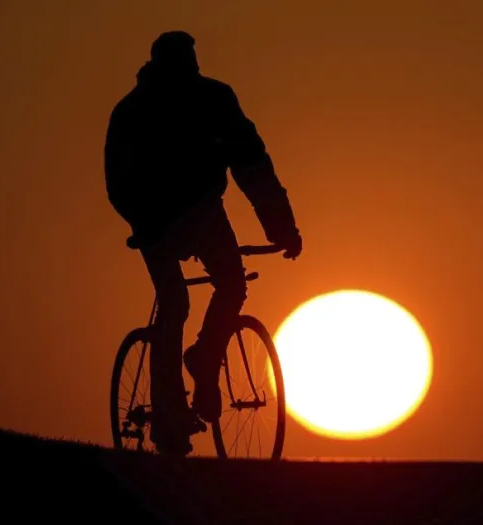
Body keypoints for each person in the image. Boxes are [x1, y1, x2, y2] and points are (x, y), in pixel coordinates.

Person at [104, 31, 303, 455]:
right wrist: (143, 221)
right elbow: (252, 166)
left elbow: (252, 165)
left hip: (193, 214)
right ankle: (172, 408)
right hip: (162, 214)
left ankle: (202, 362)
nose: (191, 69)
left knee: (213, 289)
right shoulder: (182, 103)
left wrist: (281, 226)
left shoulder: (142, 107)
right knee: (186, 299)